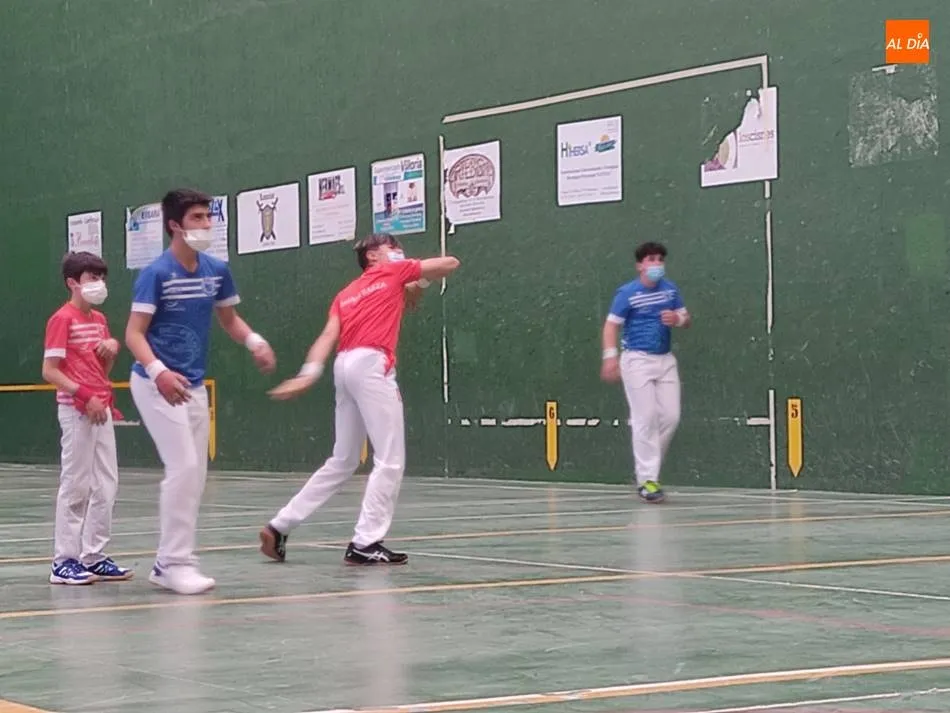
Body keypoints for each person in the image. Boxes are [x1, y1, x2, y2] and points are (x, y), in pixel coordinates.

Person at [259, 233, 460, 566]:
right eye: (391, 248)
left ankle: (280, 526)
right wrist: (416, 274)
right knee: (390, 459)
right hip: (371, 365)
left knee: (343, 459)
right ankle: (366, 543)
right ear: (372, 257)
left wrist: (309, 373)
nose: (398, 253)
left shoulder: (346, 294)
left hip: (344, 365)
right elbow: (451, 263)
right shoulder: (392, 272)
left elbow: (327, 336)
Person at [125, 188, 276, 595]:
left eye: (208, 217)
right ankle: (175, 564)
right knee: (184, 468)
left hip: (191, 385)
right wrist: (158, 373)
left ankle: (167, 562)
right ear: (175, 224)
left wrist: (255, 342)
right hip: (154, 383)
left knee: (196, 475)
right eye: (197, 218)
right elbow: (133, 334)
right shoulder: (155, 274)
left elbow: (229, 319)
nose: (207, 224)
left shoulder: (215, 269)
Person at [42, 251, 132, 584]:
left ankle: (93, 555)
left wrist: (110, 350)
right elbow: (49, 371)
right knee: (76, 484)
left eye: (101, 277)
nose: (99, 284)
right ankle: (63, 561)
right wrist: (84, 396)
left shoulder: (100, 321)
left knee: (107, 484)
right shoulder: (61, 319)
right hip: (76, 409)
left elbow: (99, 370)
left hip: (101, 407)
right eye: (92, 278)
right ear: (72, 283)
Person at [600, 241, 691, 503]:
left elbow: (686, 319)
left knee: (671, 417)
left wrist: (678, 320)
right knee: (645, 418)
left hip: (665, 360)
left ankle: (648, 471)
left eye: (660, 260)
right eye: (651, 260)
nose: (657, 264)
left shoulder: (671, 290)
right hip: (637, 360)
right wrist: (610, 358)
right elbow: (610, 327)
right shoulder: (627, 293)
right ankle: (647, 480)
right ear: (640, 265)